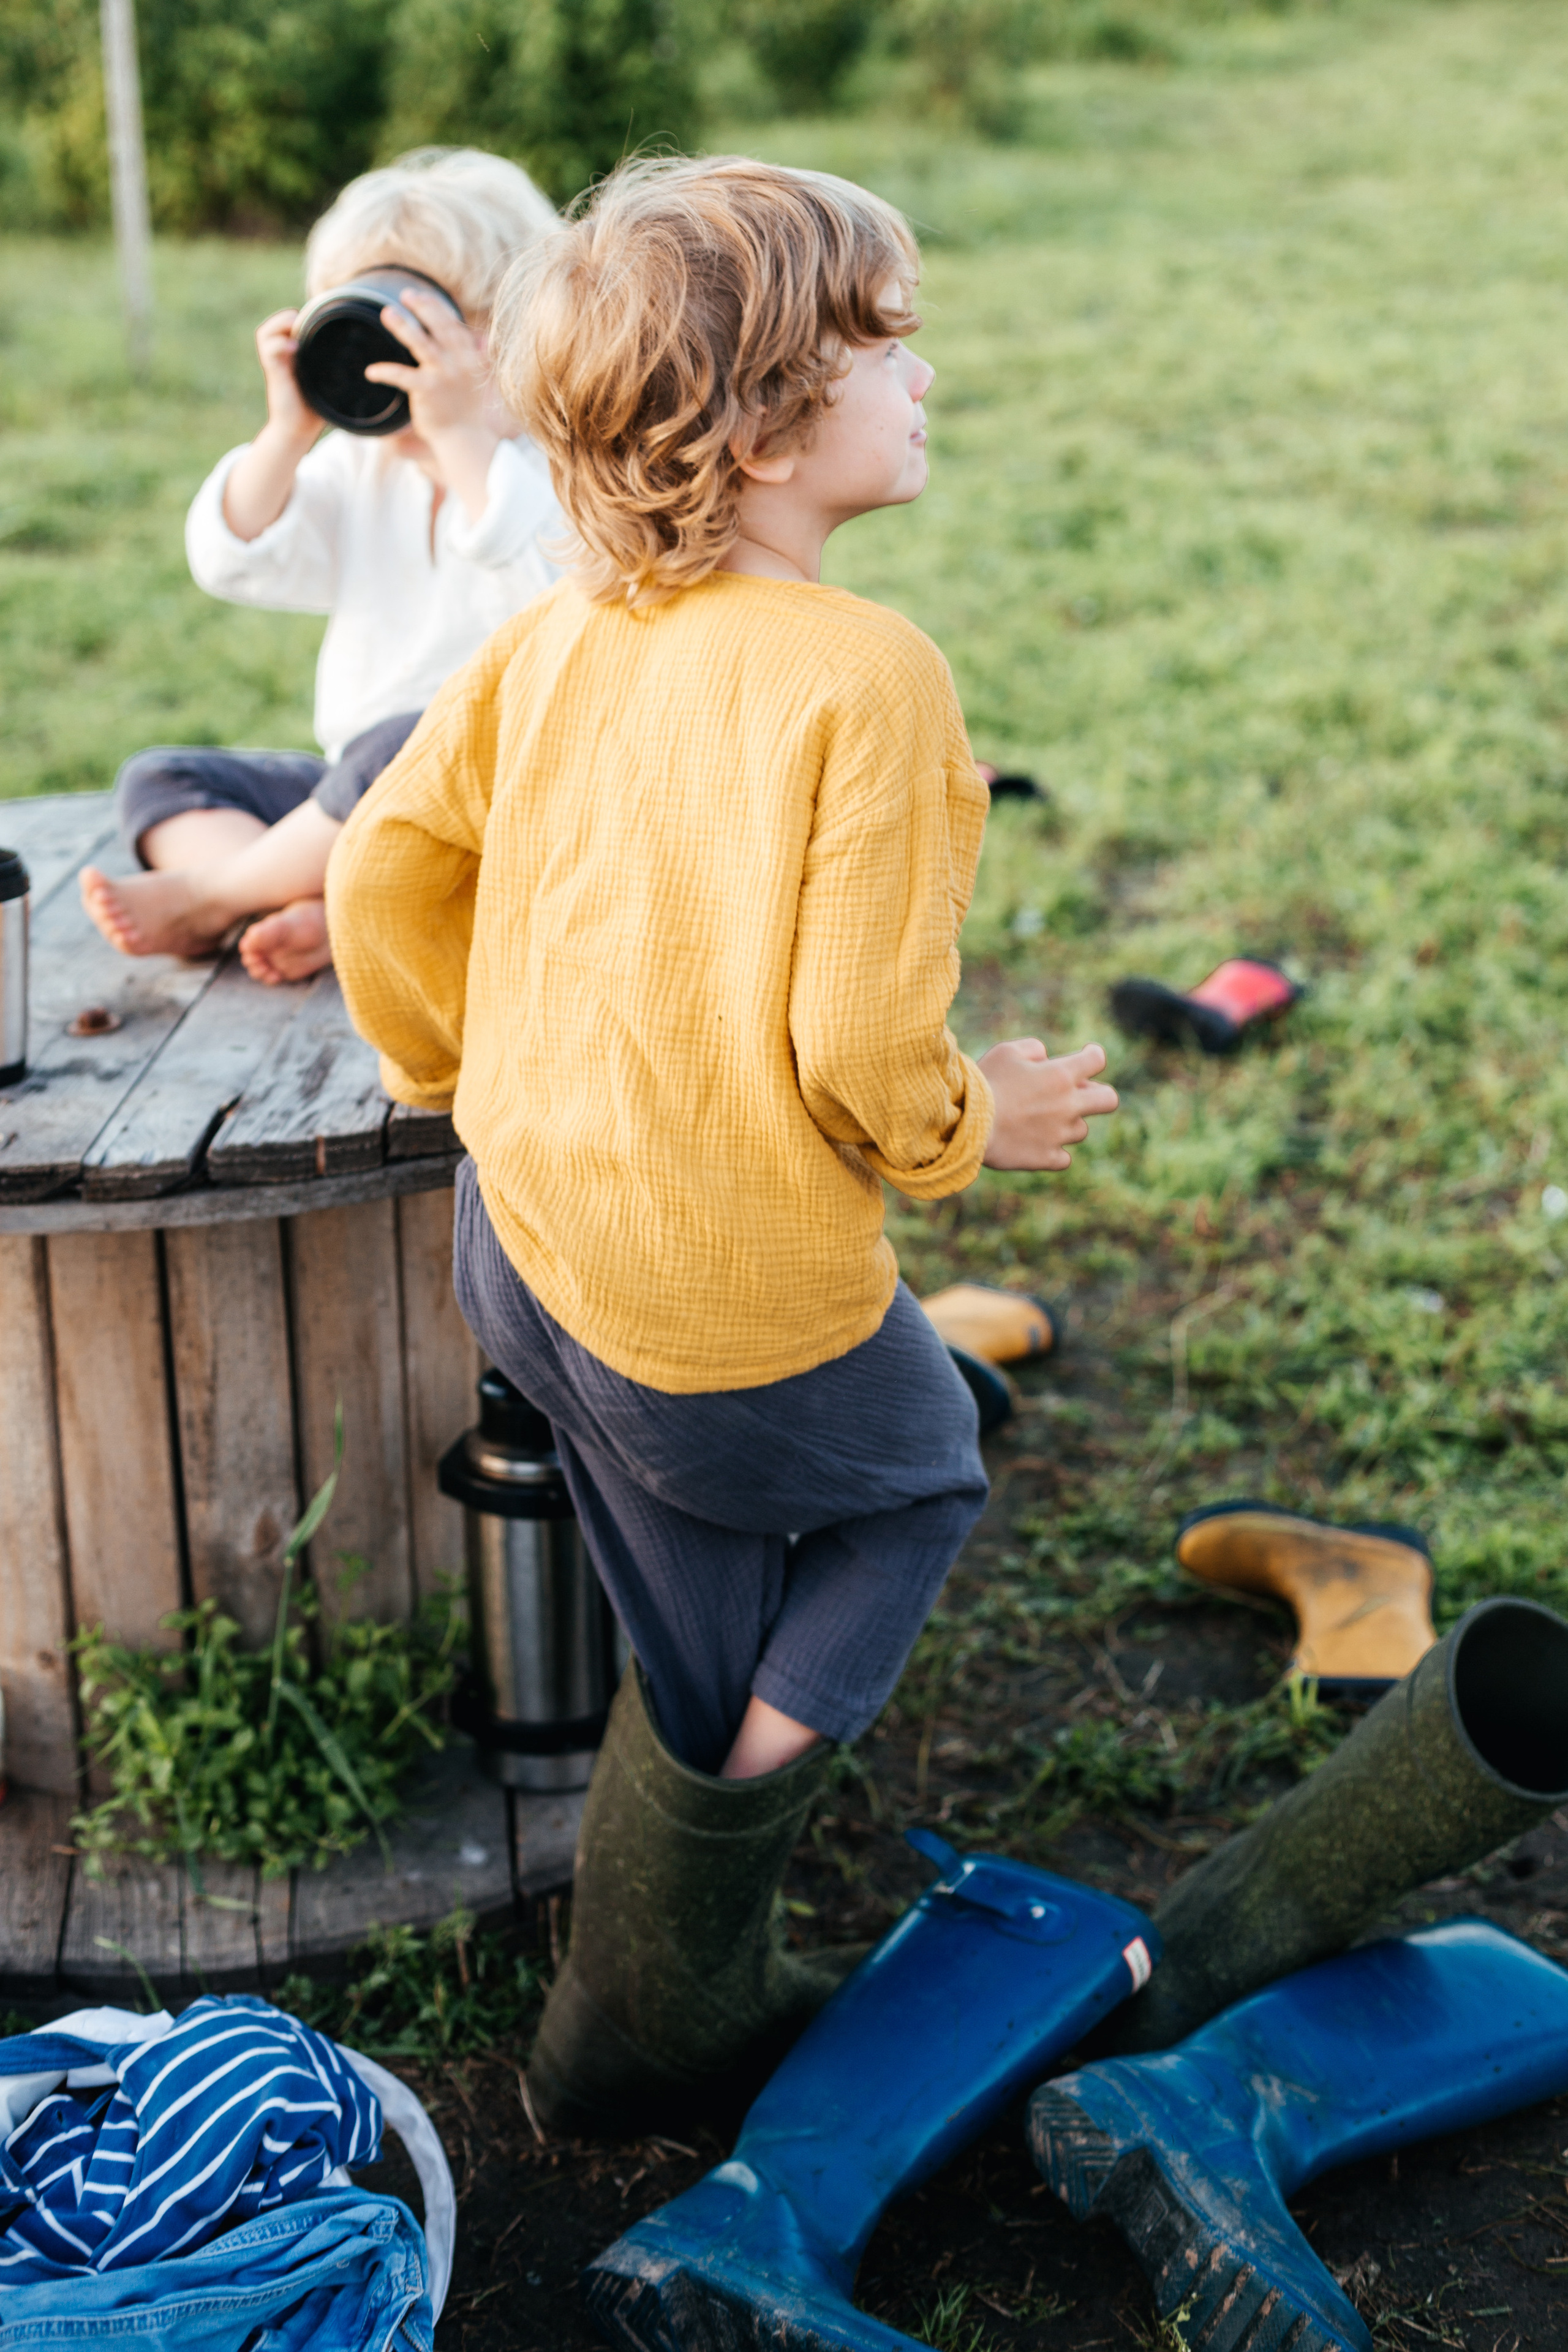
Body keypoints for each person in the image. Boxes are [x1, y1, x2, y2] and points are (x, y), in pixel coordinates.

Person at [327, 156, 1120, 2133]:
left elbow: (379, 871)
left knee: (688, 1580)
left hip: (522, 1238)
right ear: (763, 424)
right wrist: (974, 1125)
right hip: (723, 1286)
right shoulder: (870, 675)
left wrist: (446, 1066)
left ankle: (627, 2010)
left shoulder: (556, 633)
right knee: (914, 1480)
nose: (924, 370)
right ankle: (671, 1974)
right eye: (886, 340)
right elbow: (860, 1044)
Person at [80, 148, 561, 984]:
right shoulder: (356, 467)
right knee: (161, 780)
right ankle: (332, 906)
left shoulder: (552, 471)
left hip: (500, 811)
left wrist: (459, 436)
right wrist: (288, 433)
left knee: (417, 736)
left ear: (523, 328)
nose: (397, 355)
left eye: (433, 326)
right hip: (348, 798)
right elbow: (233, 559)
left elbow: (551, 584)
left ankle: (221, 896)